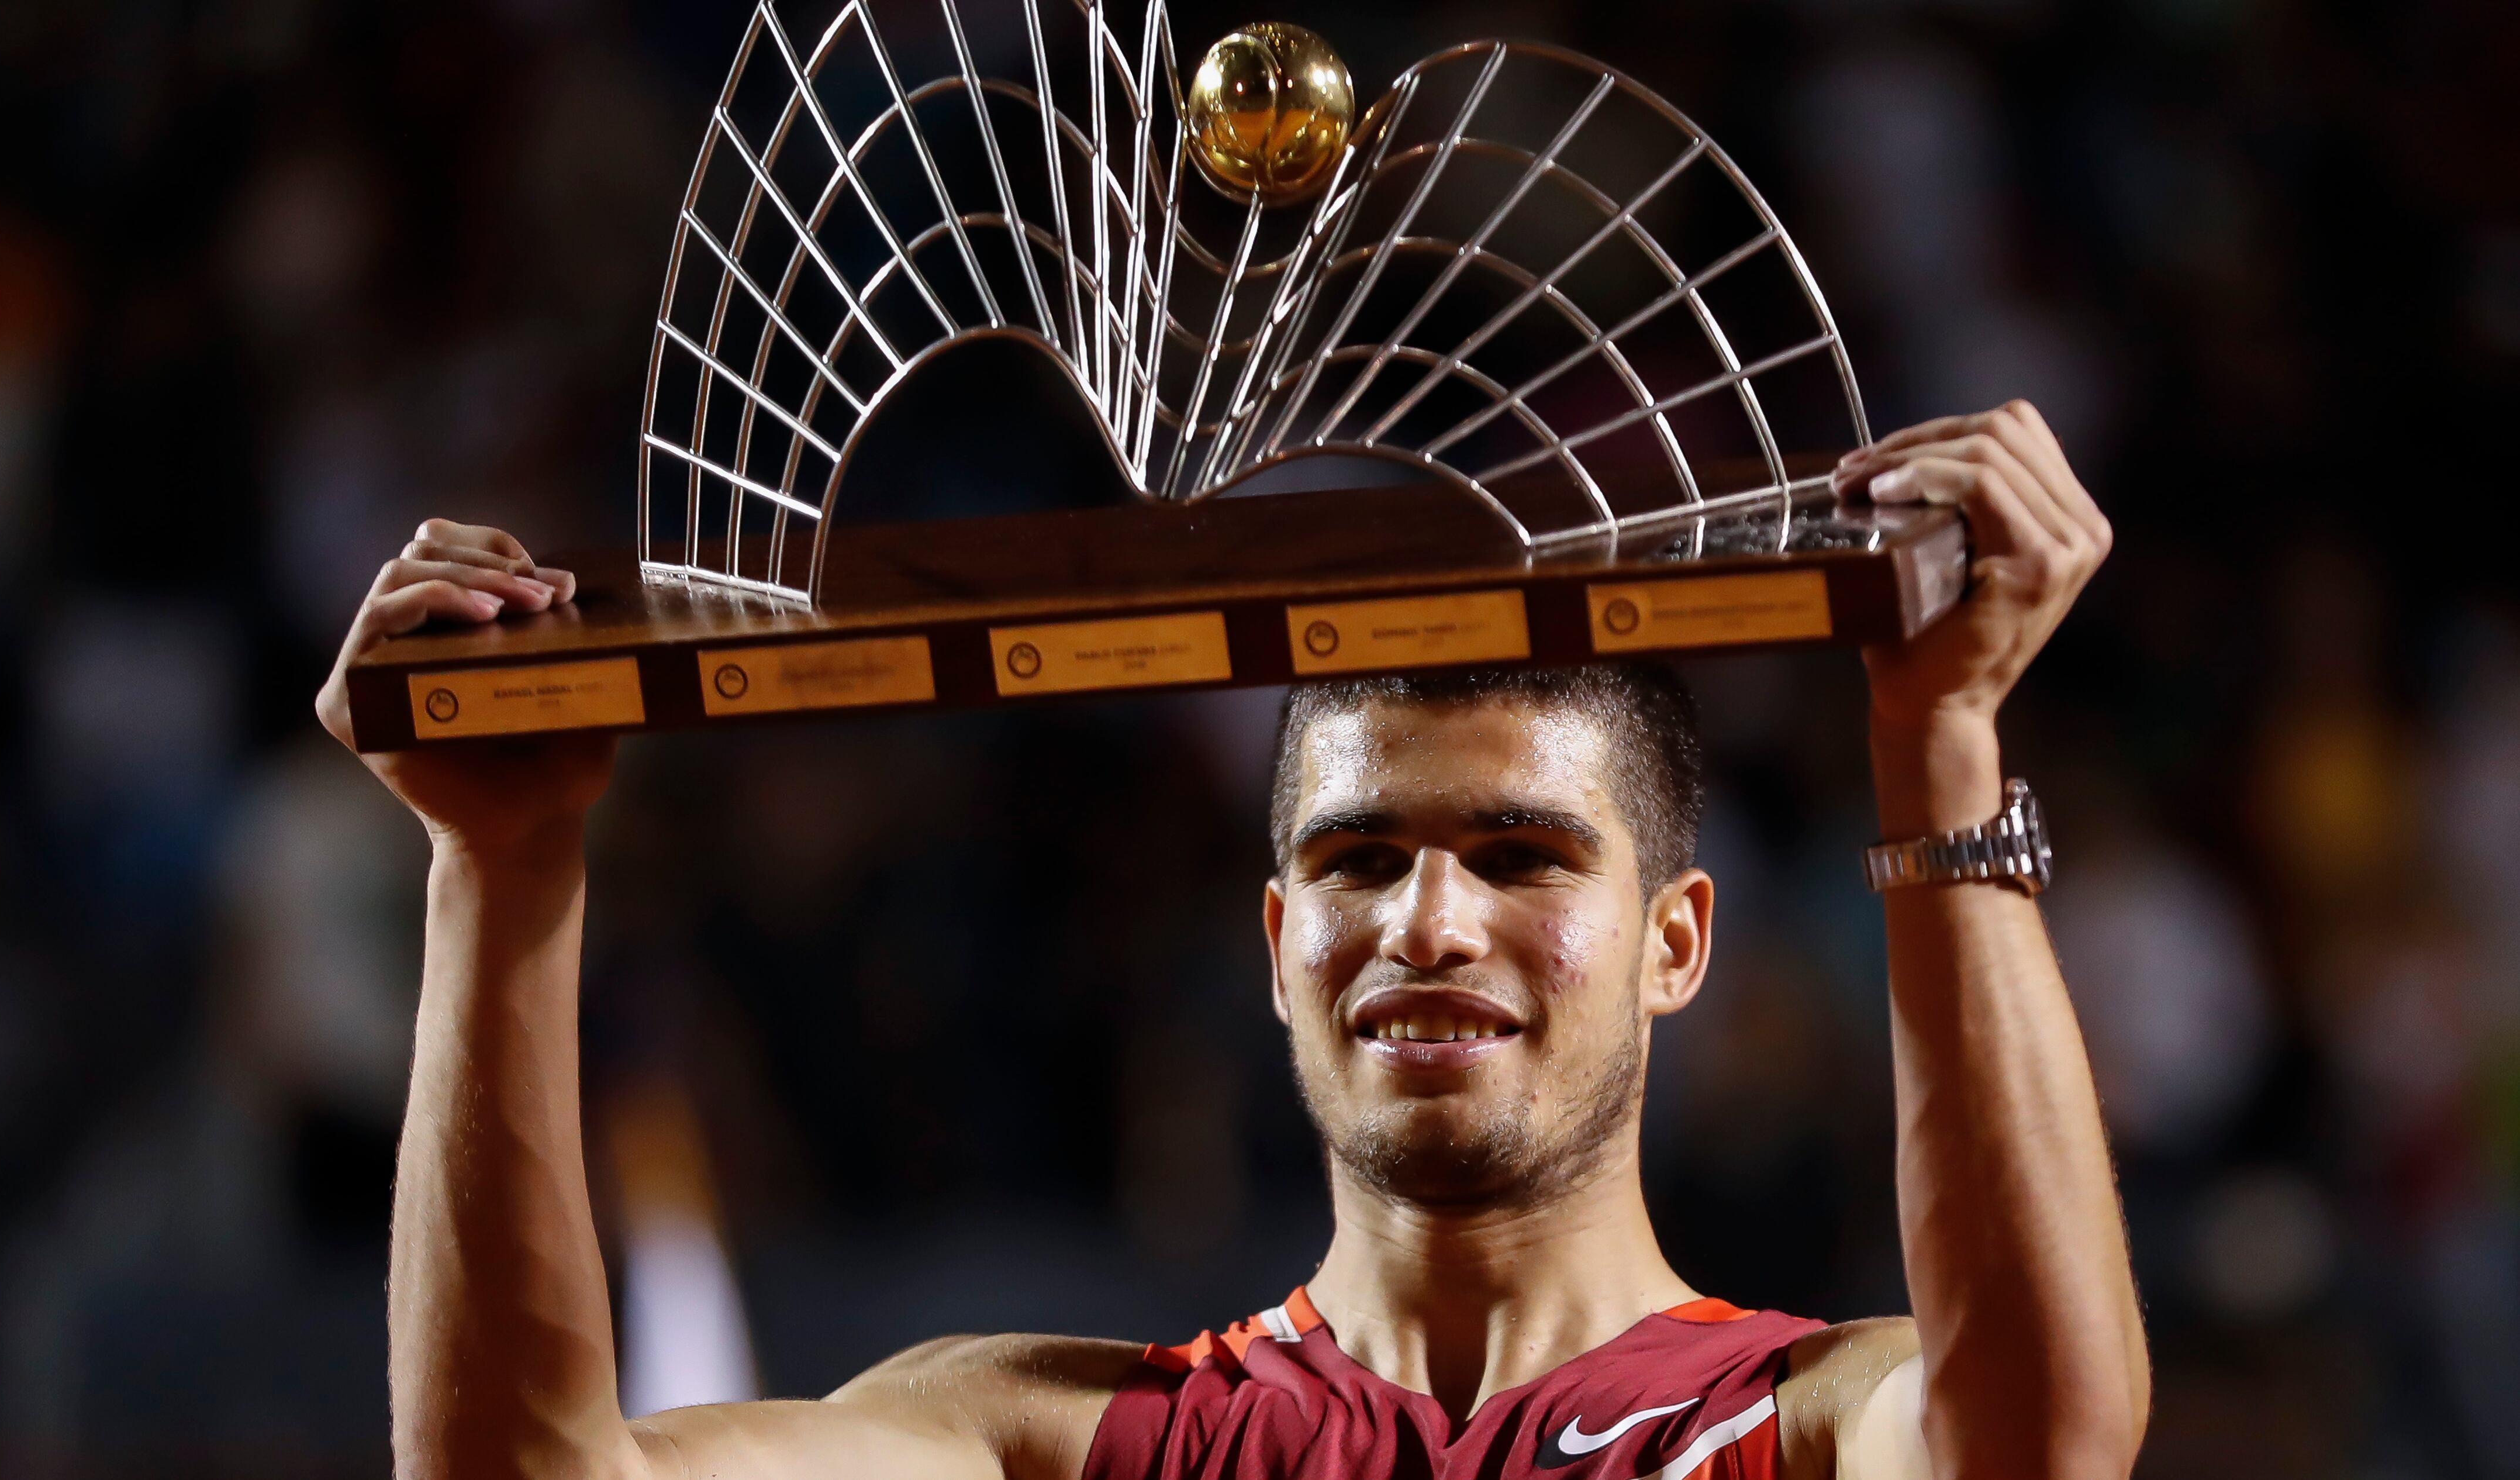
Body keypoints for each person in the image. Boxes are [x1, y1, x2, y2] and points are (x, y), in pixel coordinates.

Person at [317, 400, 2143, 1480]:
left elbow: (2042, 1441)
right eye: (1358, 859)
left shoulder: (1802, 1415)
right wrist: (501, 863)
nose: (1427, 920)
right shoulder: (1048, 1436)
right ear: (1277, 945)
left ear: (1675, 940)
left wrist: (1938, 741)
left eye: (1520, 854)